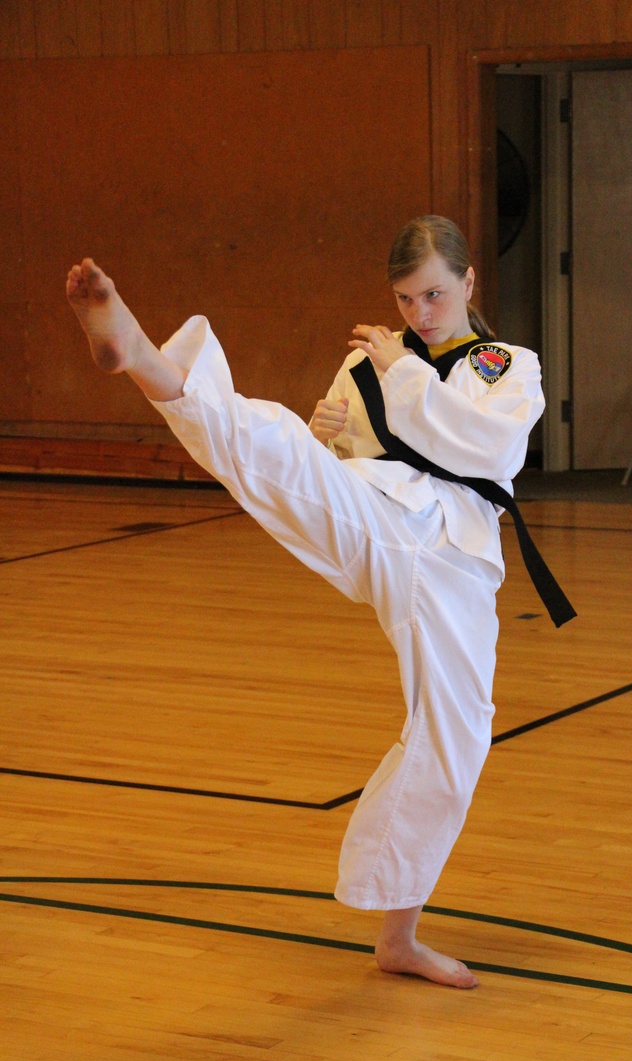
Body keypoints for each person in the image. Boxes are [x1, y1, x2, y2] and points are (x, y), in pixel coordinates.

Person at [67, 215, 546, 989]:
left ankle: (399, 936)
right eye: (404, 298)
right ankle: (148, 362)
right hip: (379, 519)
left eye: (432, 294)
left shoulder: (501, 362)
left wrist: (403, 372)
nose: (419, 314)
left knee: (455, 739)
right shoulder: (368, 363)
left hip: (452, 550)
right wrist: (334, 436)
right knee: (280, 450)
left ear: (467, 283)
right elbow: (334, 460)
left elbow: (490, 450)